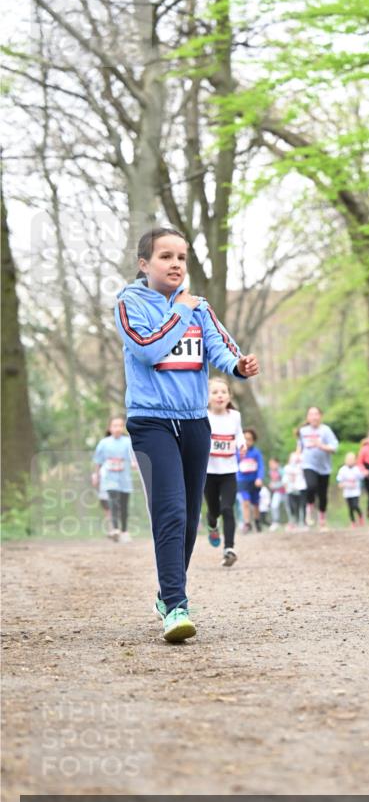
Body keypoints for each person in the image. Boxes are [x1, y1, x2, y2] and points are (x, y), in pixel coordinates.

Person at [115, 225, 259, 643]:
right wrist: (180, 312)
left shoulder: (200, 306)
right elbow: (147, 348)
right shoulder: (130, 302)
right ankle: (177, 607)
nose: (176, 264)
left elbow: (220, 348)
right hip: (151, 422)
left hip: (196, 422)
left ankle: (167, 594)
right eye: (166, 256)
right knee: (171, 512)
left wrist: (239, 366)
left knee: (191, 521)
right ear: (145, 264)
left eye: (182, 257)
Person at [204, 377, 245, 567]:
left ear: (229, 396)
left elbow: (239, 435)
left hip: (228, 471)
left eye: (223, 392)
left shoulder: (235, 416)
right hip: (208, 472)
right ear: (207, 396)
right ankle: (212, 525)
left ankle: (229, 548)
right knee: (214, 511)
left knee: (227, 508)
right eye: (215, 392)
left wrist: (242, 445)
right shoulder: (203, 416)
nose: (219, 396)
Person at [92, 416, 134, 542]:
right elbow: (98, 461)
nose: (117, 428)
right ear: (110, 428)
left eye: (120, 426)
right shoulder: (104, 443)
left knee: (124, 506)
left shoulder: (128, 442)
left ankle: (125, 531)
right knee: (113, 503)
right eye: (115, 426)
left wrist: (134, 463)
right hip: (109, 479)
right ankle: (115, 529)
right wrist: (96, 475)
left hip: (124, 479)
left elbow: (133, 457)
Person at [297, 406, 339, 530]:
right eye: (311, 414)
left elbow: (334, 447)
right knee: (311, 486)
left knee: (322, 494)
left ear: (320, 416)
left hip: (324, 467)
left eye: (316, 414)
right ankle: (309, 507)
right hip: (308, 464)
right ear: (308, 417)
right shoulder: (303, 431)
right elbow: (300, 447)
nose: (314, 417)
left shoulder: (326, 430)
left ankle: (322, 519)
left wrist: (321, 445)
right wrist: (298, 456)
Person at [237, 428, 264, 533]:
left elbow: (261, 466)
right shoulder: (238, 452)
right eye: (245, 439)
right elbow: (234, 464)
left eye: (249, 439)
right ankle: (247, 523)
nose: (247, 441)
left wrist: (259, 478)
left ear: (253, 440)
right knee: (245, 502)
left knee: (255, 503)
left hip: (254, 481)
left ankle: (257, 521)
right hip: (242, 480)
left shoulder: (256, 453)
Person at [336, 452, 365, 527]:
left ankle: (360, 516)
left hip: (355, 492)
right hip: (347, 492)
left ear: (354, 460)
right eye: (348, 459)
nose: (350, 461)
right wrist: (340, 484)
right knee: (350, 508)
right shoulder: (342, 470)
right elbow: (339, 480)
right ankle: (353, 522)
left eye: (351, 459)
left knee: (355, 505)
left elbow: (361, 478)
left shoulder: (357, 469)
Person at [283, 451, 307, 530]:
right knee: (293, 506)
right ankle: (294, 522)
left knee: (302, 506)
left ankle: (303, 522)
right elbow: (285, 479)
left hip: (301, 488)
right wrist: (286, 488)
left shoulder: (303, 467)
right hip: (291, 490)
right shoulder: (287, 468)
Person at [267, 458, 286, 531]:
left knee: (288, 507)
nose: (271, 466)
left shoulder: (281, 471)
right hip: (277, 492)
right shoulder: (271, 472)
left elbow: (285, 482)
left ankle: (292, 522)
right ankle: (275, 522)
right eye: (270, 464)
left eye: (272, 464)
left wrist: (275, 485)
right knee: (274, 506)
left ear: (277, 463)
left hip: (285, 492)